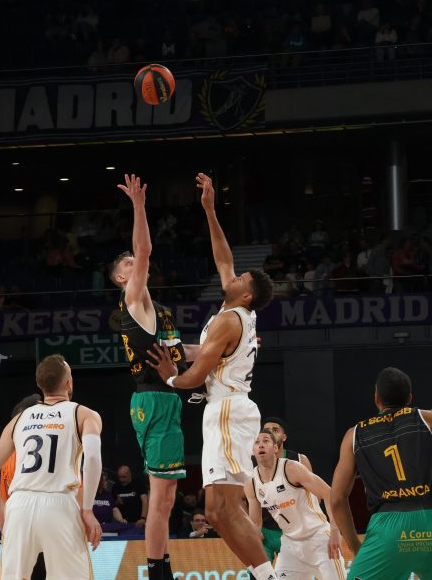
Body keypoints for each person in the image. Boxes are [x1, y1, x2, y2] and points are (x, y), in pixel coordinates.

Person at [147, 172, 277, 580]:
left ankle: (269, 576)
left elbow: (196, 376)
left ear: (247, 294)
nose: (232, 277)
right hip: (233, 410)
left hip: (225, 410)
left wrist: (171, 376)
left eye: (239, 280)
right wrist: (209, 210)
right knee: (221, 511)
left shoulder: (228, 321)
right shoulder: (236, 313)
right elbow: (223, 259)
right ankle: (266, 575)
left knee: (221, 510)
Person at [330, 367, 432, 580]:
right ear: (409, 398)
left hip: (389, 529)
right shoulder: (428, 418)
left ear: (376, 398)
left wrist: (356, 547)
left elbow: (336, 499)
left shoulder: (354, 435)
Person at [109, 173, 187, 580]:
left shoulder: (156, 310)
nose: (135, 263)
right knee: (160, 497)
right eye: (128, 265)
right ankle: (157, 571)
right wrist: (139, 206)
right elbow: (145, 249)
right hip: (154, 398)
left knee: (166, 497)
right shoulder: (133, 297)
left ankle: (163, 564)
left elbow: (183, 353)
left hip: (160, 398)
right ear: (123, 278)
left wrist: (231, 347)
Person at [0, 355, 102, 580]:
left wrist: (2, 515)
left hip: (19, 506)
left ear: (39, 384)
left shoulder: (19, 420)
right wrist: (87, 509)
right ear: (69, 383)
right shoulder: (84, 414)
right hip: (60, 504)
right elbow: (92, 459)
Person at [244, 431, 343, 579]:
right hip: (290, 545)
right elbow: (256, 524)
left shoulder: (291, 468)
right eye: (256, 442)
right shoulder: (251, 481)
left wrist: (335, 531)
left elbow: (329, 494)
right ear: (252, 450)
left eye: (265, 441)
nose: (261, 445)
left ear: (275, 448)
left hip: (319, 538)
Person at [254, 417, 313, 562]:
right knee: (257, 572)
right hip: (264, 531)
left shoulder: (299, 460)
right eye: (267, 430)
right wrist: (253, 528)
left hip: (293, 532)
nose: (270, 433)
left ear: (284, 437)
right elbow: (245, 499)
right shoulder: (253, 464)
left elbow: (314, 497)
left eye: (275, 430)